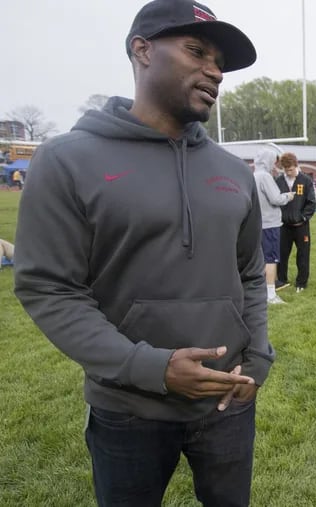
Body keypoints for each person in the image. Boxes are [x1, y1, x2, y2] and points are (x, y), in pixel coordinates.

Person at [13, 2, 275, 505]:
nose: (215, 71)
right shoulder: (67, 160)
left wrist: (258, 359)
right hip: (128, 407)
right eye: (197, 51)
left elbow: (247, 274)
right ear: (142, 51)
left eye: (219, 61)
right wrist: (147, 367)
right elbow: (49, 288)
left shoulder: (233, 171)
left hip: (228, 402)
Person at [252, 150, 295, 304]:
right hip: (270, 224)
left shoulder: (254, 175)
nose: (275, 165)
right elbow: (276, 198)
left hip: (258, 223)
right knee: (271, 259)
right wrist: (288, 196)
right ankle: (270, 295)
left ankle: (260, 290)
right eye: (274, 161)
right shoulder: (265, 177)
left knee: (261, 259)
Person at [276, 152, 316, 293]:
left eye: (291, 169)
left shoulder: (306, 181)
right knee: (281, 254)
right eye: (286, 170)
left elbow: (311, 203)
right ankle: (281, 280)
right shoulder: (279, 181)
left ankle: (301, 283)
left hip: (301, 227)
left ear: (296, 166)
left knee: (303, 255)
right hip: (284, 226)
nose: (288, 172)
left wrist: (303, 217)